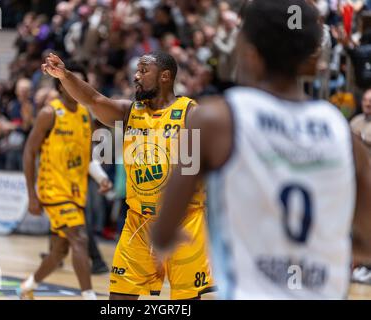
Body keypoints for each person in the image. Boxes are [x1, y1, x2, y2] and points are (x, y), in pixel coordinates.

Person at [151, 0, 371, 300]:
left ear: (249, 53)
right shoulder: (344, 135)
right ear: (312, 59)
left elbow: (163, 230)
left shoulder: (213, 120)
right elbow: (367, 241)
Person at [42, 50, 216, 300]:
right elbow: (93, 100)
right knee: (120, 299)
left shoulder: (188, 111)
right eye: (137, 70)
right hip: (139, 222)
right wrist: (65, 75)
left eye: (144, 71)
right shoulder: (130, 112)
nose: (136, 76)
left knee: (186, 301)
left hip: (183, 222)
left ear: (165, 76)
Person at [18, 63, 113, 300]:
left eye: (82, 84)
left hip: (76, 191)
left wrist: (101, 178)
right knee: (80, 238)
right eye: (72, 82)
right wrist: (32, 195)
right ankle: (89, 296)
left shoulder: (85, 115)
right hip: (53, 190)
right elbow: (29, 152)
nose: (78, 88)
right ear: (61, 86)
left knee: (59, 252)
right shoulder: (49, 113)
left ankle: (28, 285)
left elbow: (87, 157)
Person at [351, 88, 371, 155]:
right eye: (364, 100)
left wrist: (362, 137)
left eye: (370, 101)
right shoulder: (356, 120)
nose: (367, 104)